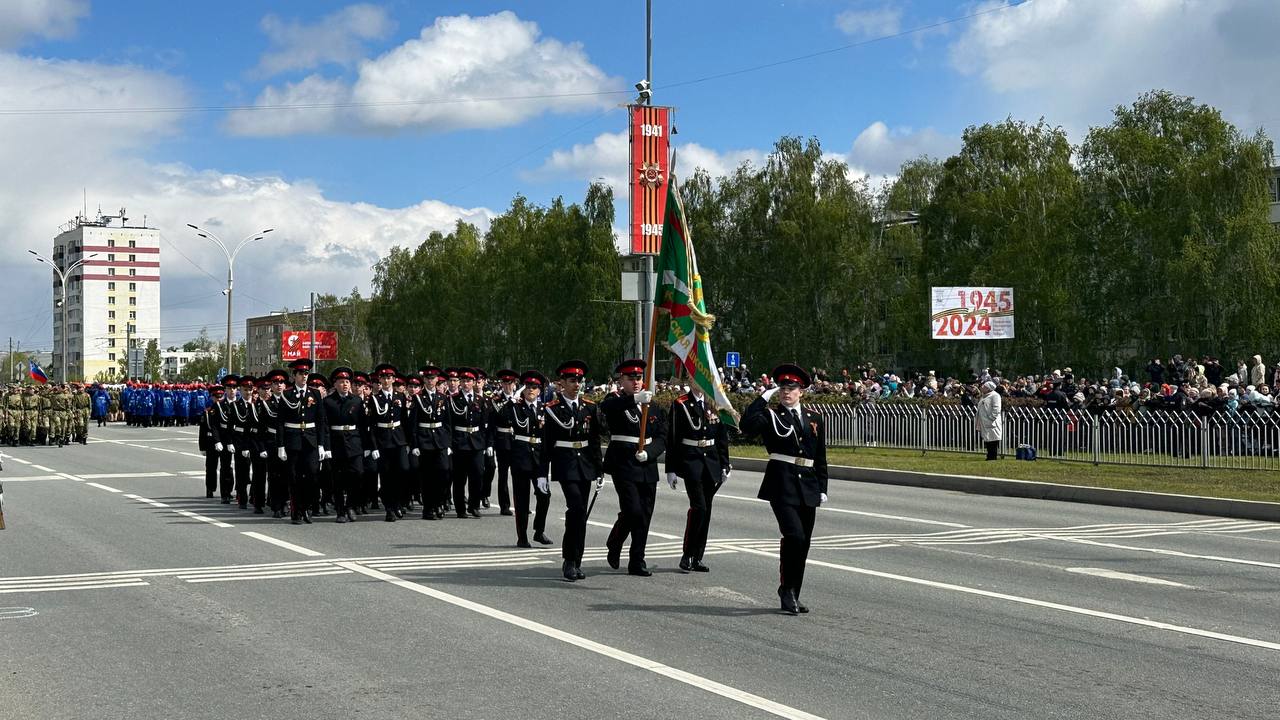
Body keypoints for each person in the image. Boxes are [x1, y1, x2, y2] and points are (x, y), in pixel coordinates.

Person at [740, 363, 828, 616]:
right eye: (782, 388)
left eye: (792, 388)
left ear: (802, 390)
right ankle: (786, 589)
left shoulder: (814, 418)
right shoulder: (770, 415)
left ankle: (793, 593)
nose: (786, 392)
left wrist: (822, 486)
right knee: (794, 536)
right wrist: (762, 397)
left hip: (808, 484)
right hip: (782, 483)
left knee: (804, 543)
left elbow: (820, 456)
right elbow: (746, 426)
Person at [601, 359, 667, 577]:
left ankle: (637, 560)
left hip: (646, 463)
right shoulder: (616, 400)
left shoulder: (653, 405)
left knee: (645, 514)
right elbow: (608, 409)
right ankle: (616, 540)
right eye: (631, 379)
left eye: (639, 378)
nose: (636, 382)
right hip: (624, 463)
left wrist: (651, 452)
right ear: (622, 380)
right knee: (633, 511)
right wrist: (633, 400)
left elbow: (661, 435)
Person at [538, 360, 602, 582]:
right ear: (561, 383)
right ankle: (569, 560)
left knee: (581, 512)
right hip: (565, 464)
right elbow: (545, 444)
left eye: (579, 380)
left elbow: (594, 441)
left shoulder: (589, 407)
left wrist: (599, 470)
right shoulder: (551, 410)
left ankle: (577, 559)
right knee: (575, 507)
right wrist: (541, 473)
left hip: (584, 464)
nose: (577, 384)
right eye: (572, 380)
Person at [667, 383, 731, 573]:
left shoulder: (715, 403)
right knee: (699, 507)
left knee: (707, 509)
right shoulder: (681, 404)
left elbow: (721, 436)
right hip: (691, 461)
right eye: (695, 379)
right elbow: (673, 437)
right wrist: (671, 468)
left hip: (711, 461)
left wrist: (725, 464)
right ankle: (687, 554)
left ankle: (697, 557)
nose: (699, 383)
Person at [503, 370, 552, 547]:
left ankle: (539, 531)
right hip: (521, 457)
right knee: (522, 499)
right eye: (528, 387)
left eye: (535, 387)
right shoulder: (515, 407)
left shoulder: (545, 409)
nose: (531, 390)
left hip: (540, 460)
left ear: (540, 390)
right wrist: (512, 400)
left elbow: (549, 435)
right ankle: (522, 536)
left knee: (544, 495)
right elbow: (500, 417)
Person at [278, 359, 328, 525]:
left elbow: (321, 420)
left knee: (313, 474)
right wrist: (281, 446)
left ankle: (306, 507)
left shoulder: (314, 394)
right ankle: (296, 511)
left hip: (311, 440)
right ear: (294, 376)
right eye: (301, 373)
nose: (304, 376)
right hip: (293, 441)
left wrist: (321, 444)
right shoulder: (286, 395)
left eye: (306, 373)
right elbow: (280, 422)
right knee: (294, 477)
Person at [367, 364, 410, 522]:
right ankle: (389, 508)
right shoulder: (374, 399)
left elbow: (405, 421)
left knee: (403, 470)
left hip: (398, 439)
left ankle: (398, 502)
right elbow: (371, 425)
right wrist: (374, 446)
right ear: (379, 380)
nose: (386, 380)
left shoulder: (400, 397)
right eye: (383, 378)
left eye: (389, 378)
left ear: (393, 379)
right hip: (383, 440)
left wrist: (409, 442)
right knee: (386, 476)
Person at [409, 365, 452, 520]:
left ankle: (439, 503)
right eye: (427, 378)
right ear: (424, 380)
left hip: (440, 440)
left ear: (437, 380)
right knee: (427, 477)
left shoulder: (442, 397)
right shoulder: (418, 398)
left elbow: (447, 423)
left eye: (433, 378)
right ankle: (428, 508)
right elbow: (413, 423)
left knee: (443, 473)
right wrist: (414, 445)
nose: (430, 381)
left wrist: (448, 444)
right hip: (424, 440)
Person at [322, 366, 365, 523]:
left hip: (354, 442)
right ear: (335, 384)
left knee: (358, 474)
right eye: (341, 382)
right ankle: (340, 510)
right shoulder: (328, 402)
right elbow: (325, 426)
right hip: (336, 442)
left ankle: (351, 505)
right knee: (338, 479)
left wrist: (366, 446)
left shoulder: (356, 400)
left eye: (347, 381)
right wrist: (325, 447)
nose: (345, 384)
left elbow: (362, 425)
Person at [448, 368, 490, 518]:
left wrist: (486, 443)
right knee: (459, 477)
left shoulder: (480, 399)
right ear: (460, 382)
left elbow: (486, 424)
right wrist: (450, 444)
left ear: (473, 382)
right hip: (459, 441)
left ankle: (474, 505)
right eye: (464, 381)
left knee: (478, 474)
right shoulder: (453, 399)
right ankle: (460, 508)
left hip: (477, 442)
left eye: (469, 381)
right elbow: (450, 423)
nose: (466, 383)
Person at [975, 381, 1003, 460]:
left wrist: (991, 418)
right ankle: (989, 455)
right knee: (987, 439)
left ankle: (992, 456)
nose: (982, 387)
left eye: (984, 386)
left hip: (992, 422)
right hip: (984, 421)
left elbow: (996, 408)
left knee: (993, 439)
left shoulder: (995, 396)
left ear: (988, 388)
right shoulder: (984, 396)